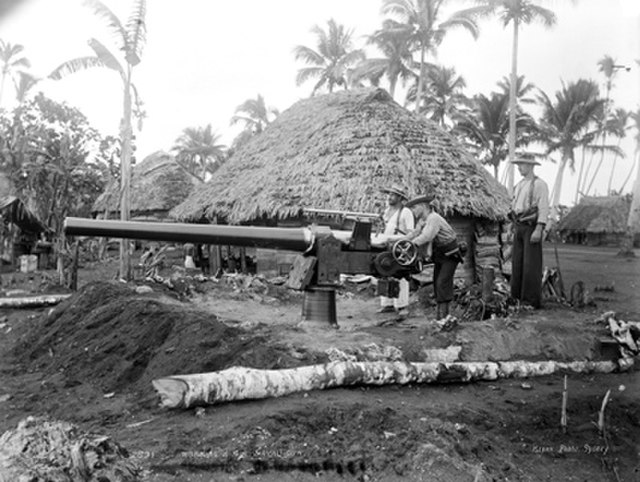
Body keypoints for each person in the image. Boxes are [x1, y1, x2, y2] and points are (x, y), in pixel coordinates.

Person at [402, 194, 462, 320]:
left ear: (423, 206)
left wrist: (411, 244)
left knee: (442, 282)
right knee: (437, 283)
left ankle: (445, 317)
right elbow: (415, 233)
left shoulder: (433, 219)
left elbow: (427, 236)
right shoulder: (422, 220)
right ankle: (441, 317)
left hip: (451, 254)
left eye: (414, 208)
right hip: (440, 255)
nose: (413, 211)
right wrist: (402, 242)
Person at [509, 158, 550, 309]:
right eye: (518, 165)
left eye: (522, 164)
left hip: (531, 227)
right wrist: (511, 227)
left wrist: (539, 228)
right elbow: (514, 207)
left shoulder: (539, 184)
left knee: (530, 264)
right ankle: (516, 297)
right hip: (519, 225)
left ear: (531, 166)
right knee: (517, 263)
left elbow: (544, 207)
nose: (519, 167)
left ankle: (530, 301)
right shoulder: (519, 185)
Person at [377, 183, 414, 316]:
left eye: (393, 195)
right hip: (386, 247)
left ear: (400, 198)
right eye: (389, 194)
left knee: (400, 276)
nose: (389, 197)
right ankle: (387, 304)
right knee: (384, 273)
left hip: (400, 249)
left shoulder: (406, 212)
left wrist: (400, 241)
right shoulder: (387, 212)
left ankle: (402, 305)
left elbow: (411, 233)